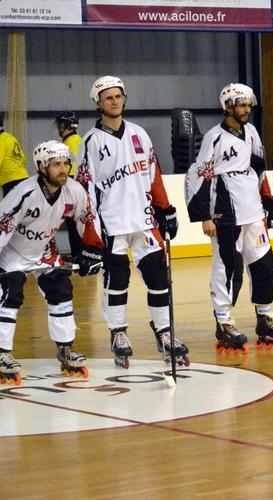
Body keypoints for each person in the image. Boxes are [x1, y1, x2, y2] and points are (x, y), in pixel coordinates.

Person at [76, 75, 188, 369]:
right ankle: (118, 333)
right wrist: (90, 237)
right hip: (112, 224)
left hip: (144, 222)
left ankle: (164, 332)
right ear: (98, 103)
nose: (115, 102)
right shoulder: (90, 142)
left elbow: (154, 175)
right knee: (117, 281)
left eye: (118, 96)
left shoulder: (140, 133)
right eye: (108, 98)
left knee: (158, 278)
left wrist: (165, 209)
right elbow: (84, 191)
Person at [185, 83, 273, 352]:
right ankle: (224, 322)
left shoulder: (252, 132)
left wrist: (268, 201)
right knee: (228, 269)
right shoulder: (214, 137)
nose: (247, 110)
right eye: (242, 105)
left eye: (249, 105)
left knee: (264, 265)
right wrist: (204, 216)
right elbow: (199, 175)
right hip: (226, 214)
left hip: (254, 212)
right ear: (228, 107)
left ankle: (265, 319)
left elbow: (259, 170)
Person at [0, 141, 104, 385]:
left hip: (44, 250)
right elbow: (2, 225)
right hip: (12, 253)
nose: (63, 169)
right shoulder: (23, 193)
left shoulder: (74, 190)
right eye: (56, 164)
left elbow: (88, 218)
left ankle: (65, 349)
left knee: (61, 289)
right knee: (10, 294)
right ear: (41, 167)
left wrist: (93, 251)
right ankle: (2, 353)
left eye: (66, 163)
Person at [55, 111, 83, 259]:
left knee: (73, 223)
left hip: (72, 187)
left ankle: (77, 254)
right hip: (82, 187)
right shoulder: (79, 140)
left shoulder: (67, 145)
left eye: (60, 125)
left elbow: (68, 172)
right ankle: (79, 253)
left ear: (64, 126)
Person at [0, 113, 29, 195]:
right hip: (24, 178)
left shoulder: (1, 140)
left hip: (11, 181)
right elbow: (23, 159)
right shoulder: (11, 138)